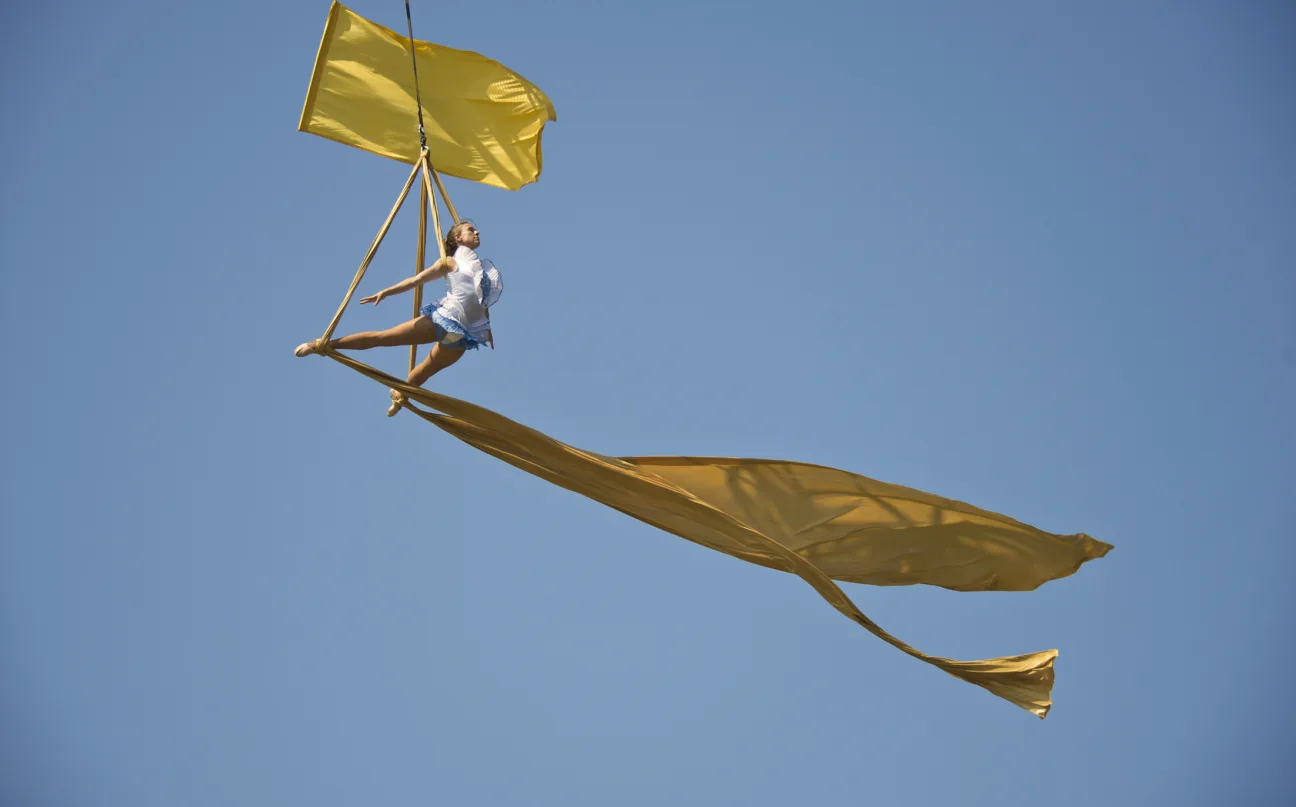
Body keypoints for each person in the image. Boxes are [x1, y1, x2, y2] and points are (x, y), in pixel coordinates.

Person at [294, 221, 502, 415]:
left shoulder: (480, 270)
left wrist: (487, 329)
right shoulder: (449, 262)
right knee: (383, 338)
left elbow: (481, 301)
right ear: (458, 238)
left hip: (466, 332)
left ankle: (400, 394)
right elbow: (416, 280)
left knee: (427, 370)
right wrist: (386, 292)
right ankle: (320, 344)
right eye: (471, 230)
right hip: (448, 318)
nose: (477, 232)